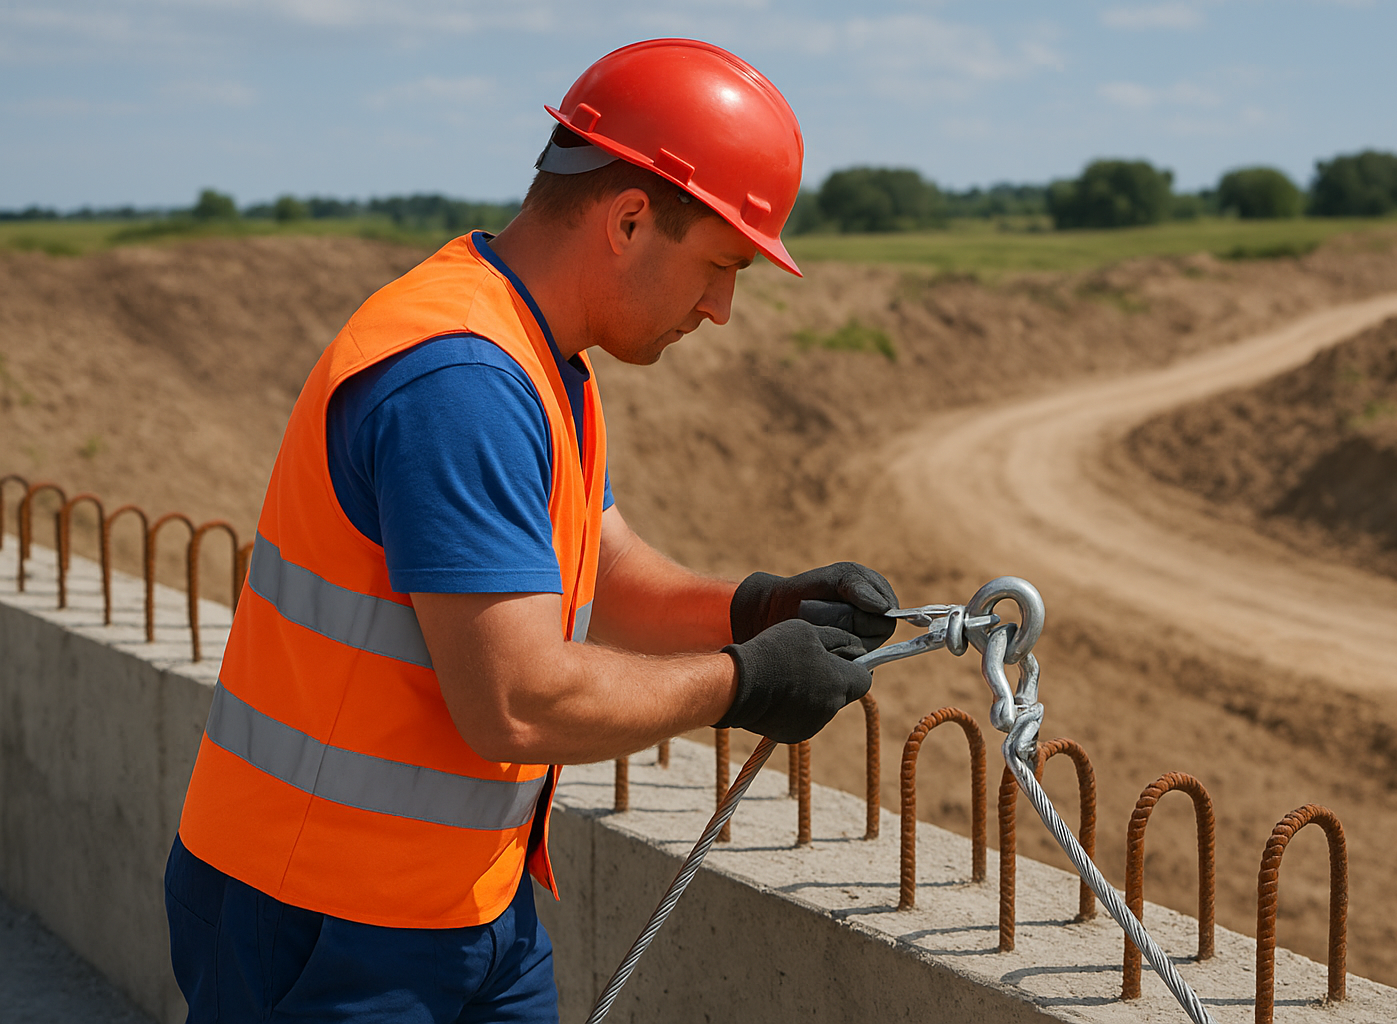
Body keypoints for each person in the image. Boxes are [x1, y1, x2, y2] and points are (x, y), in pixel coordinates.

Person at [163, 37, 899, 1023]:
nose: (721, 308)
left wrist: (754, 605)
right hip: (317, 919)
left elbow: (602, 565)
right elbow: (513, 700)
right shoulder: (460, 380)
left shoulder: (541, 357)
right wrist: (741, 681)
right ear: (630, 218)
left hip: (466, 904)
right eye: (720, 267)